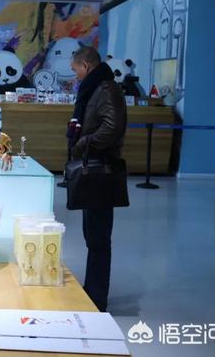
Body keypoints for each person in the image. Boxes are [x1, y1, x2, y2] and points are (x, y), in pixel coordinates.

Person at [68, 46, 127, 312]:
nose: (75, 76)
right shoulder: (94, 88)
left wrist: (85, 143)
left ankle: (97, 297)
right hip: (93, 168)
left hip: (101, 170)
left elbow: (112, 127)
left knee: (99, 238)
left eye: (76, 70)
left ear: (86, 65)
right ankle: (91, 291)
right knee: (92, 235)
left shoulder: (106, 89)